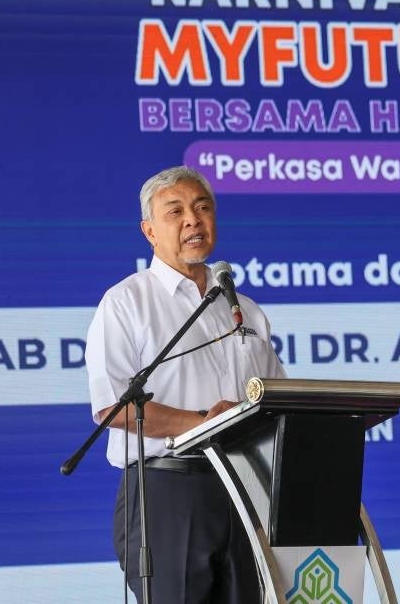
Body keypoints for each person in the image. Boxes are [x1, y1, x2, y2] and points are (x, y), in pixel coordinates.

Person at [86, 166, 285, 603]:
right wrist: (202, 423)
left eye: (203, 207)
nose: (193, 219)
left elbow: (276, 402)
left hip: (248, 490)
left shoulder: (245, 309)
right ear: (149, 231)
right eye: (175, 211)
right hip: (168, 492)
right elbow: (112, 406)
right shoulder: (126, 302)